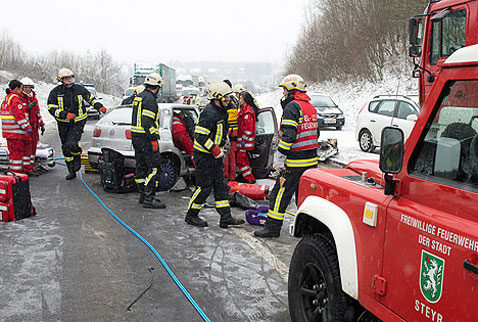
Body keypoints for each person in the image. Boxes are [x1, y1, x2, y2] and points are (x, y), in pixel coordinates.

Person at [255, 74, 319, 238]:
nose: (283, 93)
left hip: (294, 163)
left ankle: (272, 228)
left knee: (279, 194)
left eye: (284, 89)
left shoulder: (292, 107)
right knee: (303, 197)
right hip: (310, 163)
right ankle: (305, 231)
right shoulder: (310, 107)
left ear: (292, 90)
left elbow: (288, 136)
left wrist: (280, 159)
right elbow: (315, 133)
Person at [185, 82, 245, 228]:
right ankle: (191, 215)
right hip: (204, 156)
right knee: (204, 187)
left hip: (214, 156)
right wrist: (215, 149)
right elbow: (200, 136)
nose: (229, 100)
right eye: (226, 98)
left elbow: (219, 133)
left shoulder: (221, 111)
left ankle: (225, 217)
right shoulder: (209, 113)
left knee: (221, 186)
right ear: (217, 98)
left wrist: (223, 145)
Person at [48, 68, 106, 180]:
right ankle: (71, 170)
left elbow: (91, 99)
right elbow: (51, 107)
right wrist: (64, 114)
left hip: (78, 122)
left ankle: (77, 156)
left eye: (71, 78)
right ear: (61, 80)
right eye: (67, 79)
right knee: (65, 147)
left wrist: (99, 106)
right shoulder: (56, 92)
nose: (69, 80)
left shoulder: (79, 89)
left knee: (72, 143)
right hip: (63, 123)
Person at [131, 72, 166, 209]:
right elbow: (147, 121)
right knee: (154, 168)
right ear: (157, 87)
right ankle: (149, 198)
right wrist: (153, 138)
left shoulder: (139, 97)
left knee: (141, 166)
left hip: (136, 138)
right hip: (146, 139)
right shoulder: (150, 100)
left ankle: (142, 195)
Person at [0, 80, 34, 175]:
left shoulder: (6, 98)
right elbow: (19, 116)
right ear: (16, 88)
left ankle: (16, 172)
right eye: (21, 88)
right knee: (17, 154)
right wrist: (27, 127)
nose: (22, 90)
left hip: (9, 132)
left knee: (13, 154)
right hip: (16, 133)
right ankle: (16, 174)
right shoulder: (15, 99)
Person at [21, 77, 45, 176]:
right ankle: (26, 169)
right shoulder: (19, 98)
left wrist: (41, 124)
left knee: (32, 149)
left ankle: (30, 167)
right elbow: (19, 113)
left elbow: (37, 113)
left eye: (29, 87)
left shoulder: (33, 98)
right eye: (25, 87)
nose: (27, 89)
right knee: (26, 150)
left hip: (34, 128)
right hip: (25, 128)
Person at [236, 91, 259, 183]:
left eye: (241, 98)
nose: (239, 100)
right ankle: (248, 177)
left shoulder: (247, 112)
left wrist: (243, 141)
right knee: (244, 160)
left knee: (241, 160)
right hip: (243, 142)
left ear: (245, 100)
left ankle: (249, 178)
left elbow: (248, 129)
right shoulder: (244, 110)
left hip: (245, 143)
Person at [223, 80, 239, 181]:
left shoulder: (227, 102)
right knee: (232, 156)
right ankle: (232, 176)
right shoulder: (235, 100)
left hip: (229, 132)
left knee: (226, 156)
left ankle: (226, 177)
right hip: (234, 132)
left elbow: (227, 119)